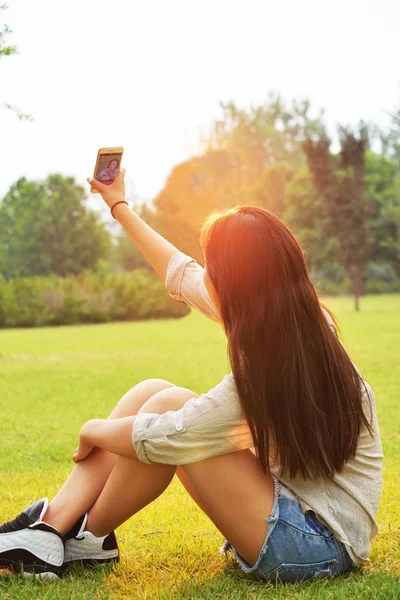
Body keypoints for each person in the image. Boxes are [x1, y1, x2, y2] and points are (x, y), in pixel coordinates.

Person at [0, 169, 383, 582]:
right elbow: (180, 272)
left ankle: (70, 536)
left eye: (213, 267)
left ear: (236, 286)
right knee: (153, 390)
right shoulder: (286, 319)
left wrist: (93, 429)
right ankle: (56, 530)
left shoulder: (267, 367)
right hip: (289, 512)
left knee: (168, 406)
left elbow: (171, 434)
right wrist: (118, 205)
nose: (205, 275)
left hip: (318, 543)